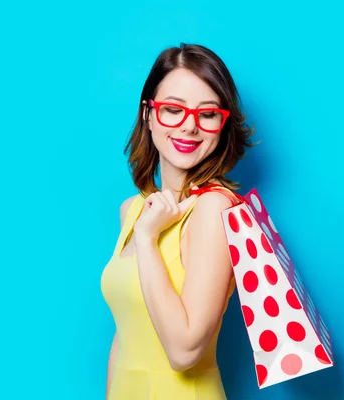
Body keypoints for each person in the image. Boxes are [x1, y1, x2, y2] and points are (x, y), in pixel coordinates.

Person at [100, 43, 255, 400]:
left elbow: (184, 353)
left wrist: (148, 239)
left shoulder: (214, 210)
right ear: (148, 115)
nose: (189, 127)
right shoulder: (134, 210)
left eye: (208, 113)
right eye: (173, 110)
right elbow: (124, 333)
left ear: (223, 123)